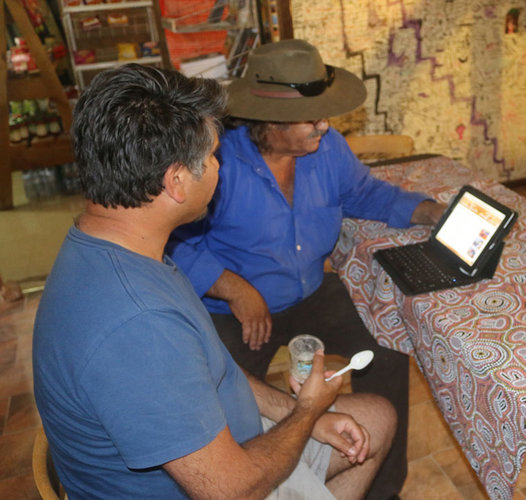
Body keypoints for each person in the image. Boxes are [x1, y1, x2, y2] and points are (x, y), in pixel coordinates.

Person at [32, 63, 395, 499]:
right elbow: (232, 490)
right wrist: (308, 412)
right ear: (176, 181)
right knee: (364, 427)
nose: (219, 167)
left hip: (222, 444)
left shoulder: (121, 249)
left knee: (376, 417)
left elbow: (214, 369)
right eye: (211, 157)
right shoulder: (138, 323)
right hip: (228, 481)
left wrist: (301, 412)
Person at [167, 39, 444, 498]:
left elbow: (364, 193)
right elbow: (176, 241)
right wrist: (234, 288)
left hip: (311, 293)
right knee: (223, 399)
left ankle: (383, 487)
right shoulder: (219, 163)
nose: (325, 125)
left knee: (386, 344)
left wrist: (428, 211)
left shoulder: (327, 148)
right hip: (234, 310)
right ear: (270, 123)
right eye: (311, 118)